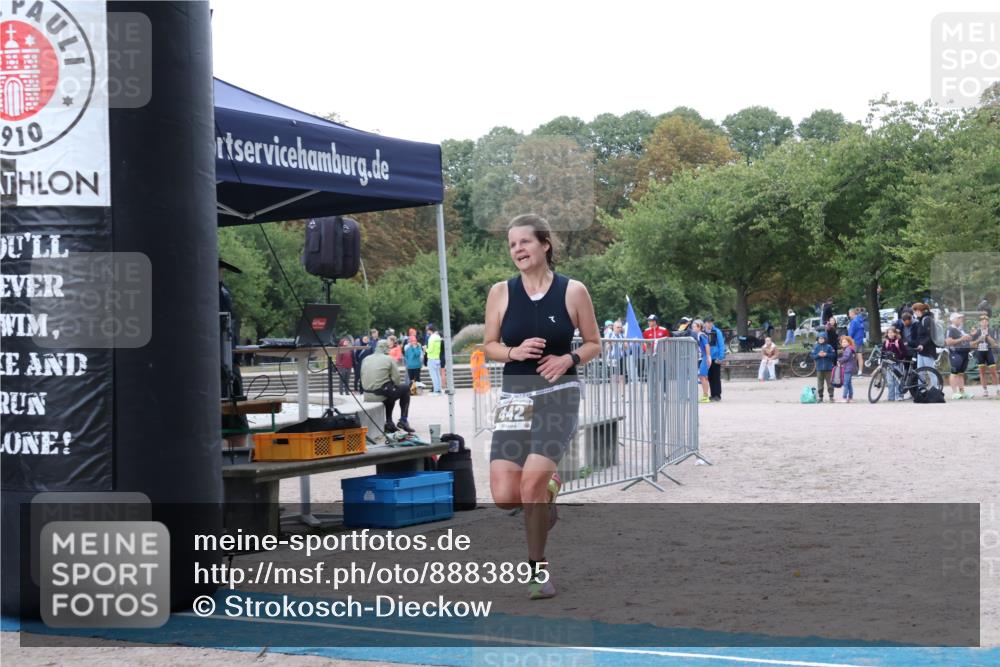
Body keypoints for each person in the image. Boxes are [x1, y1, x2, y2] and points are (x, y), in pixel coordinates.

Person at [483, 213, 600, 600]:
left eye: (525, 242)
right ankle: (549, 491)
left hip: (557, 396)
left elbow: (594, 343)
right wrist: (513, 351)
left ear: (545, 244)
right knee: (504, 496)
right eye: (512, 244)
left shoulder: (572, 291)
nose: (518, 249)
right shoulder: (501, 292)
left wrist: (569, 359)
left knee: (529, 487)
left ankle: (537, 571)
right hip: (514, 398)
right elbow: (490, 345)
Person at [361, 339, 415, 434]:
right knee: (405, 388)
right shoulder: (389, 359)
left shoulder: (366, 358)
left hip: (367, 394)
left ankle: (389, 421)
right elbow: (397, 380)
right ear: (386, 348)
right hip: (380, 394)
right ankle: (403, 420)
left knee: (390, 391)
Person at [911, 303, 940, 388]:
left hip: (928, 350)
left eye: (914, 311)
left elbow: (930, 336)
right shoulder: (921, 319)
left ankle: (936, 390)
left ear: (918, 310)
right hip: (921, 351)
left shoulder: (927, 320)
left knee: (931, 372)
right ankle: (921, 390)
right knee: (920, 372)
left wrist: (922, 344)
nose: (914, 313)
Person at [945, 312, 973, 400]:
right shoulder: (950, 329)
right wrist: (962, 338)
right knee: (954, 373)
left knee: (961, 373)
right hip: (955, 353)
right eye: (958, 318)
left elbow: (964, 339)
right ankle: (954, 393)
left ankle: (962, 392)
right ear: (952, 320)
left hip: (964, 353)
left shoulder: (960, 329)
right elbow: (948, 342)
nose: (960, 319)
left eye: (960, 318)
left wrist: (969, 336)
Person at [971, 314, 998, 398]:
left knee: (993, 372)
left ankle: (998, 389)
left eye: (986, 321)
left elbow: (994, 344)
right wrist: (979, 338)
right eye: (982, 321)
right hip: (980, 352)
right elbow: (972, 344)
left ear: (988, 323)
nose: (984, 323)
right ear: (980, 323)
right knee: (982, 372)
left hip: (989, 352)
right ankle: (985, 390)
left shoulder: (991, 330)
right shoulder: (976, 331)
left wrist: (987, 336)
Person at [881, 326, 909, 401]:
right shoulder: (886, 342)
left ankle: (899, 396)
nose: (890, 334)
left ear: (895, 333)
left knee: (898, 380)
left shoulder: (898, 341)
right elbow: (883, 352)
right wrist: (882, 359)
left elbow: (904, 352)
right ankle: (891, 397)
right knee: (890, 381)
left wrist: (899, 357)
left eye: (892, 332)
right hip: (889, 364)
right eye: (889, 332)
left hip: (897, 363)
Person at [690, 319, 712, 402]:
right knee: (703, 377)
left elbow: (707, 345)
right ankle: (705, 395)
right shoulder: (697, 335)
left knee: (703, 376)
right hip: (701, 357)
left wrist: (708, 356)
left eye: (694, 326)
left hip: (704, 357)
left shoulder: (701, 335)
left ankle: (705, 396)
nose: (693, 328)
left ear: (699, 327)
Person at [704, 316, 725, 401]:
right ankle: (712, 394)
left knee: (716, 377)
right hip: (707, 358)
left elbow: (721, 345)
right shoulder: (703, 332)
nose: (710, 324)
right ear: (704, 323)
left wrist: (720, 357)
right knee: (710, 377)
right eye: (708, 322)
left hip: (715, 358)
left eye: (711, 322)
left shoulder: (717, 331)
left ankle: (717, 395)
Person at [811, 333, 835, 403]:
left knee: (830, 383)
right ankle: (820, 397)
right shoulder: (815, 347)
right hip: (819, 368)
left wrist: (826, 354)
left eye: (822, 338)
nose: (821, 340)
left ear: (825, 339)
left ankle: (831, 396)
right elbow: (812, 356)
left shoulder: (829, 347)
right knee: (820, 383)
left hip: (828, 368)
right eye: (819, 338)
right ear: (817, 339)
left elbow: (833, 355)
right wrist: (818, 355)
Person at [838, 335, 858, 403]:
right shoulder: (849, 348)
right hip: (849, 368)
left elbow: (846, 357)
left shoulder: (848, 349)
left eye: (845, 342)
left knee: (846, 383)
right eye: (842, 342)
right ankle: (850, 397)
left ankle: (844, 397)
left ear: (849, 342)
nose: (843, 343)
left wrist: (839, 360)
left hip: (848, 368)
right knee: (849, 383)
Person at [426, 324, 444, 395]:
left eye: (427, 330)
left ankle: (436, 391)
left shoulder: (431, 338)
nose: (427, 331)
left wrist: (425, 349)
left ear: (430, 330)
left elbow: (430, 350)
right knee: (437, 375)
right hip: (437, 358)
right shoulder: (438, 337)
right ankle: (439, 390)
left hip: (431, 358)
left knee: (433, 376)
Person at [848, 308, 866, 376]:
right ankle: (860, 371)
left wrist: (848, 340)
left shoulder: (854, 321)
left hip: (853, 341)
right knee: (860, 356)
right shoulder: (860, 320)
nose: (849, 315)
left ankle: (852, 371)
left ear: (853, 313)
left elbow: (851, 333)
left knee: (852, 357)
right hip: (860, 340)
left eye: (849, 314)